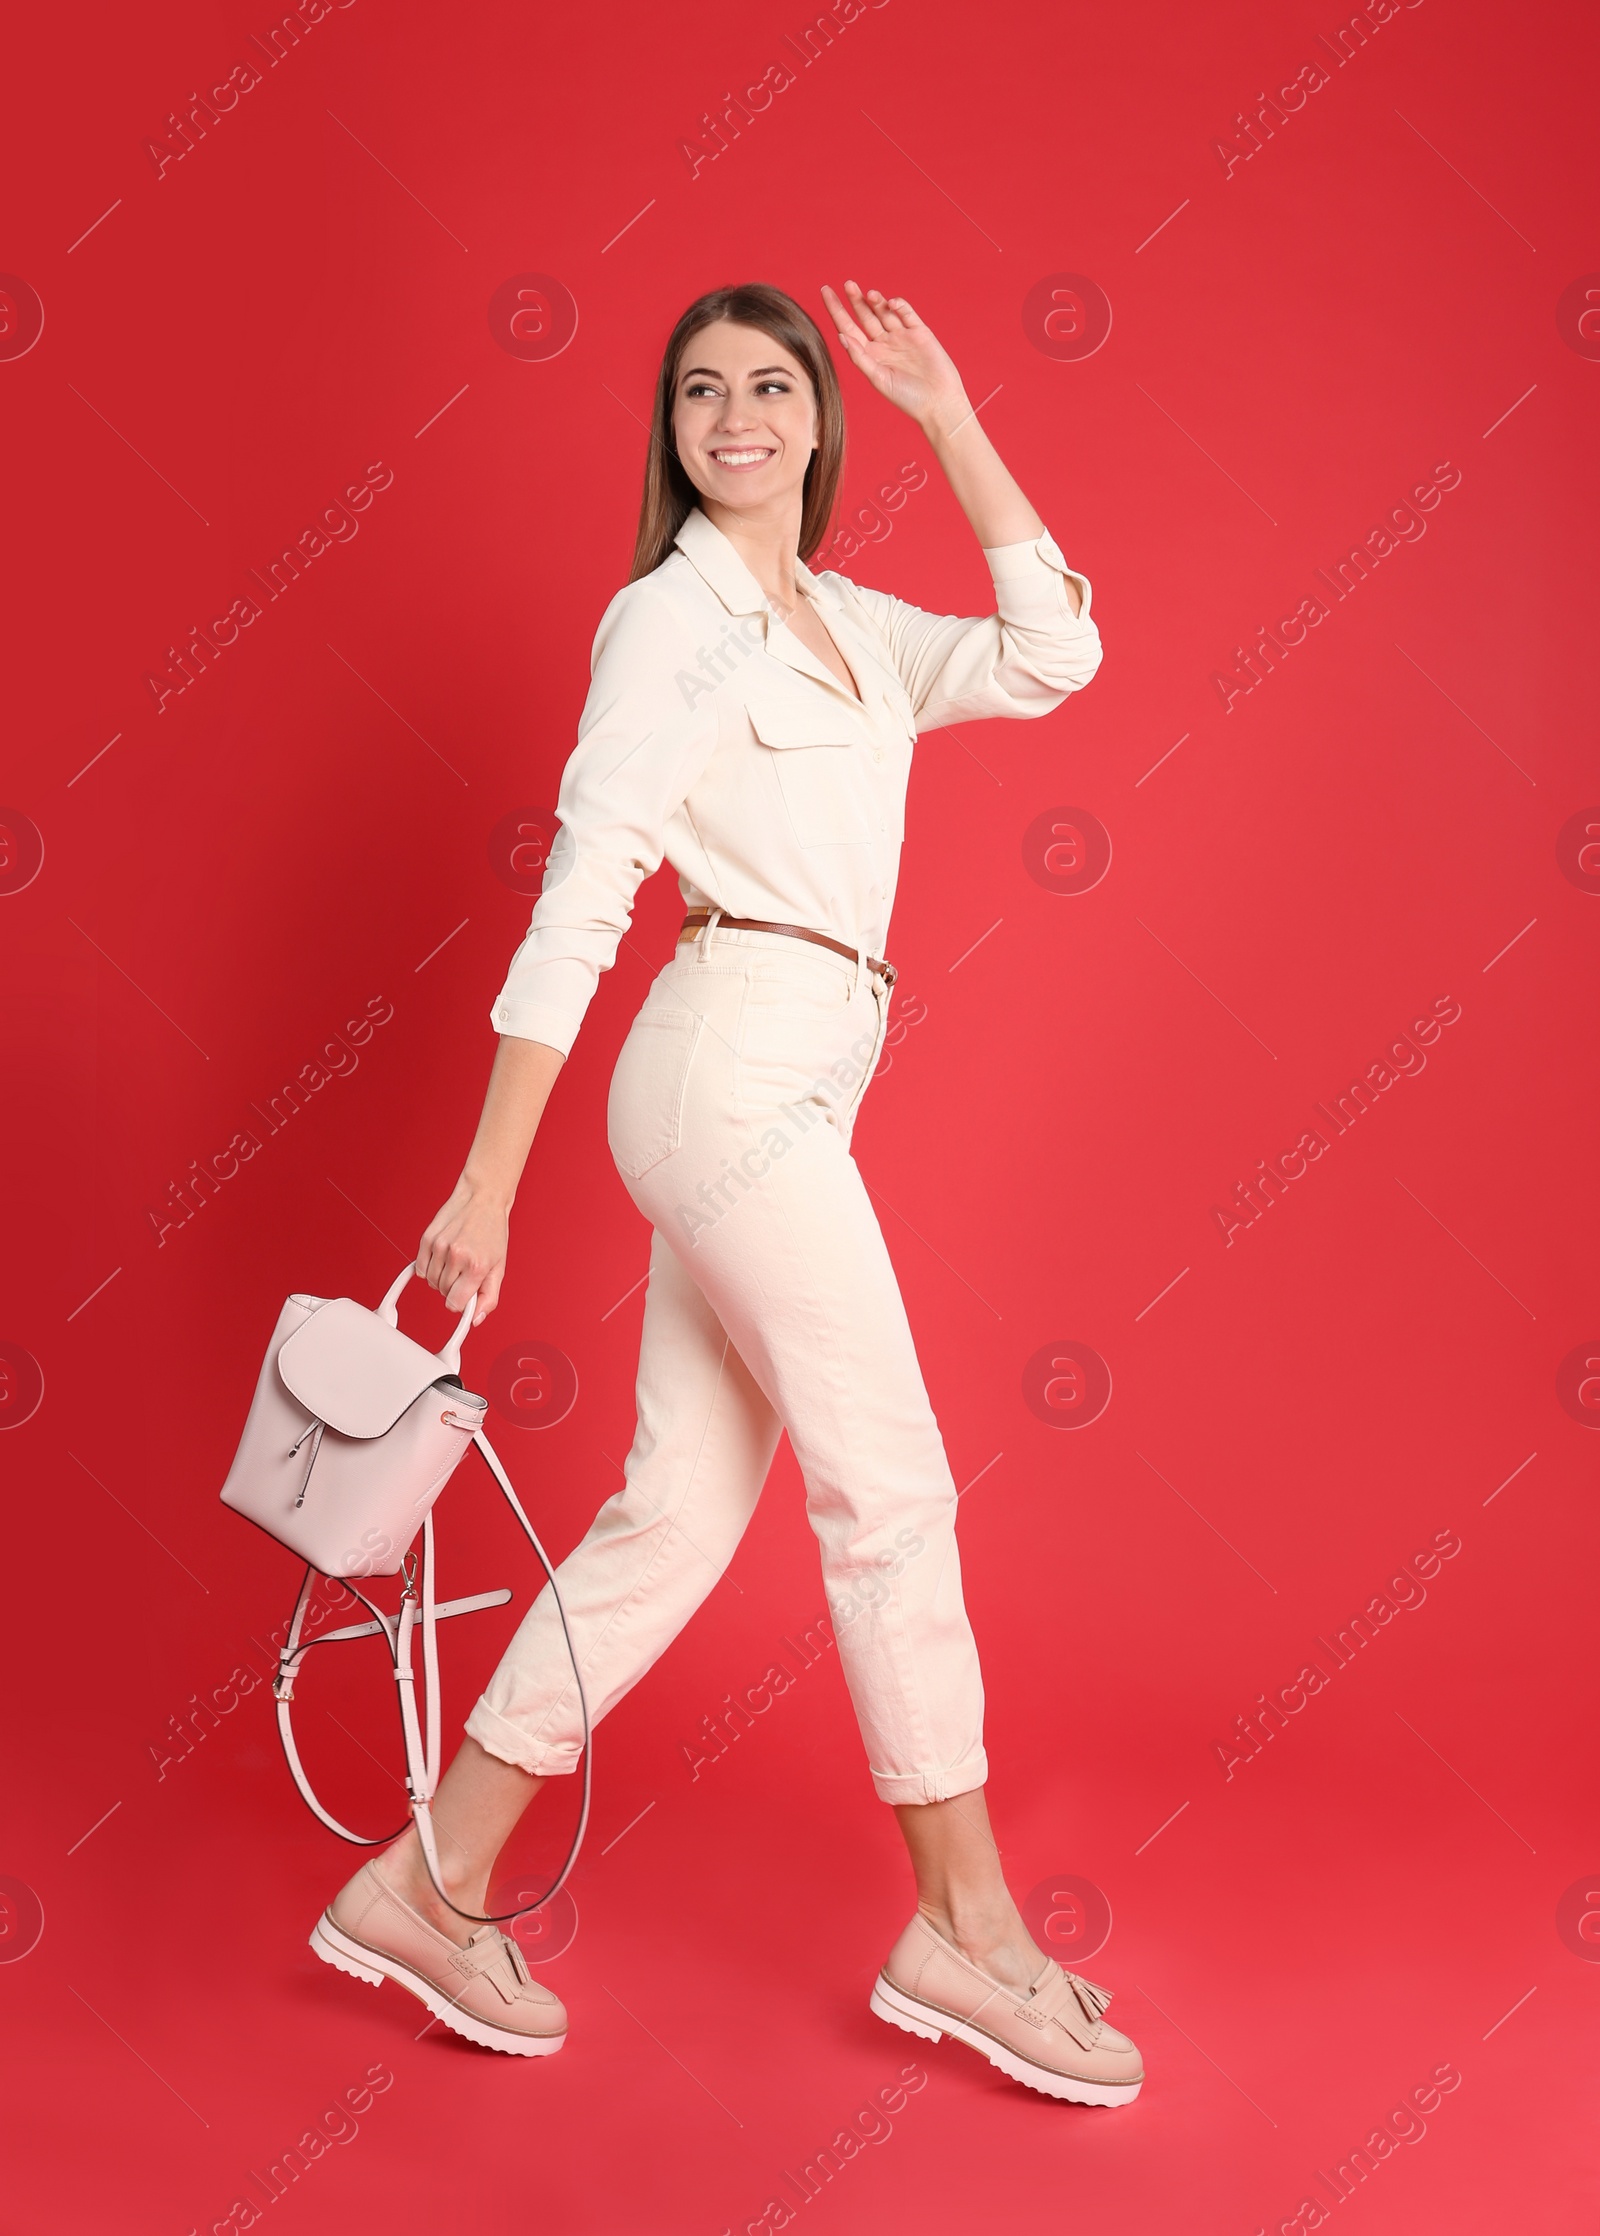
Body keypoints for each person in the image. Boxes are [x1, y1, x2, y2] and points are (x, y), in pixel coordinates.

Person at [310, 279, 1143, 2106]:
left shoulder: (846, 625)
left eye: (776, 387)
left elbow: (1053, 652)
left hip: (808, 1070)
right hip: (726, 1060)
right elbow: (583, 890)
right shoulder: (663, 628)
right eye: (704, 390)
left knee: (677, 1518)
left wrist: (953, 417)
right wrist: (487, 1183)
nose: (739, 415)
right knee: (891, 1477)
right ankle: (974, 1933)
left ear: (821, 423)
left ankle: (430, 1882)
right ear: (672, 428)